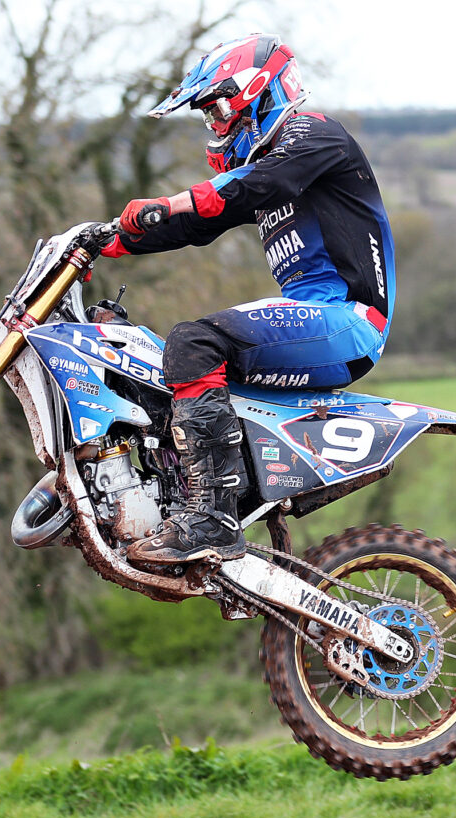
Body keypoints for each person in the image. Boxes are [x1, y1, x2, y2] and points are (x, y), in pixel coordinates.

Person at [102, 33, 396, 566]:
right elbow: (199, 224)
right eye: (208, 116)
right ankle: (191, 496)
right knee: (153, 369)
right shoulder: (266, 170)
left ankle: (211, 520)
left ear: (259, 94)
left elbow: (259, 184)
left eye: (217, 109)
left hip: (348, 319)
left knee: (194, 342)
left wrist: (167, 201)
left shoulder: (315, 135)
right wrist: (108, 240)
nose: (215, 126)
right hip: (318, 319)